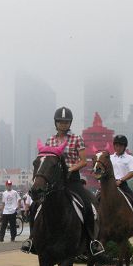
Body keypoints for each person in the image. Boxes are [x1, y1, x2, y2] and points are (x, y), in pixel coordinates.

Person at [23, 106, 103, 255]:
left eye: (66, 122)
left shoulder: (76, 139)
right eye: (60, 122)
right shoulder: (50, 140)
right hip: (54, 183)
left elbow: (84, 160)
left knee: (87, 204)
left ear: (70, 123)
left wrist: (71, 169)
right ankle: (32, 239)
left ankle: (93, 240)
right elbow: (46, 160)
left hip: (72, 180)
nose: (63, 124)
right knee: (35, 207)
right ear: (56, 123)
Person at [111, 134, 133, 232]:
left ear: (124, 147)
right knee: (98, 197)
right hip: (111, 184)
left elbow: (132, 172)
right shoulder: (110, 157)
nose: (118, 147)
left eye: (120, 146)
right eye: (116, 145)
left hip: (122, 183)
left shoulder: (129, 158)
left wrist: (121, 180)